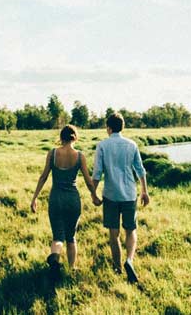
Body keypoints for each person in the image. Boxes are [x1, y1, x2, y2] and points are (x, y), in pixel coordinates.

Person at [30, 125, 99, 272]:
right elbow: (88, 181)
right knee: (71, 236)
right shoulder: (80, 156)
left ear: (61, 138)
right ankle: (72, 268)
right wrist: (94, 196)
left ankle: (55, 257)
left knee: (58, 236)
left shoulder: (52, 153)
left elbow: (43, 177)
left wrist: (34, 197)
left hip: (56, 199)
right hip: (73, 200)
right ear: (75, 138)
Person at [91, 113, 150, 284]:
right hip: (129, 194)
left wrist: (93, 193)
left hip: (110, 194)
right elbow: (140, 170)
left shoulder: (102, 145)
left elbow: (97, 173)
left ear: (108, 128)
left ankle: (117, 268)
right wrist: (144, 191)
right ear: (122, 127)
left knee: (113, 234)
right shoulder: (131, 145)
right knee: (131, 230)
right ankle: (129, 260)